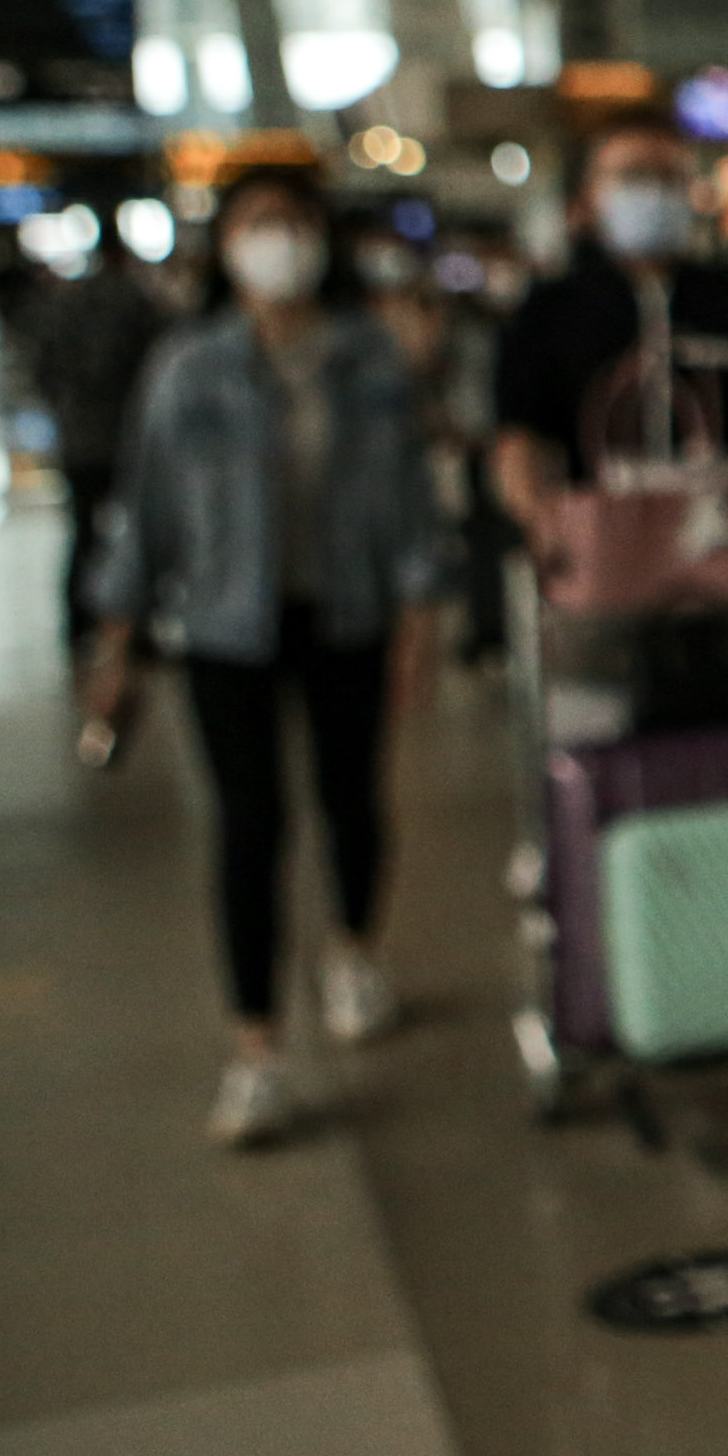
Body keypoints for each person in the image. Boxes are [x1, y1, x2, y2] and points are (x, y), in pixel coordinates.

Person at [83, 166, 447, 1147]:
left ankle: (353, 951)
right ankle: (256, 1048)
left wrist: (422, 612)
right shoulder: (189, 367)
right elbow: (146, 505)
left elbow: (409, 496)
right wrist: (116, 637)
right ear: (226, 245)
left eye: (294, 222)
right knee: (249, 823)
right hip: (225, 628)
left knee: (352, 794)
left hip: (348, 615)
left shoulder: (368, 357)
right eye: (259, 224)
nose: (279, 241)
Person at [490, 125, 728, 564]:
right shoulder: (550, 311)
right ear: (590, 195)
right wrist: (538, 515)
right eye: (633, 176)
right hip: (602, 553)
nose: (653, 192)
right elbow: (520, 437)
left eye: (669, 178)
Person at [28, 235, 167, 644]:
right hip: (126, 439)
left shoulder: (67, 301)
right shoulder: (138, 300)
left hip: (80, 439)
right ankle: (133, 629)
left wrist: (63, 408)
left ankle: (78, 621)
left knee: (83, 532)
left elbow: (43, 366)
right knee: (133, 533)